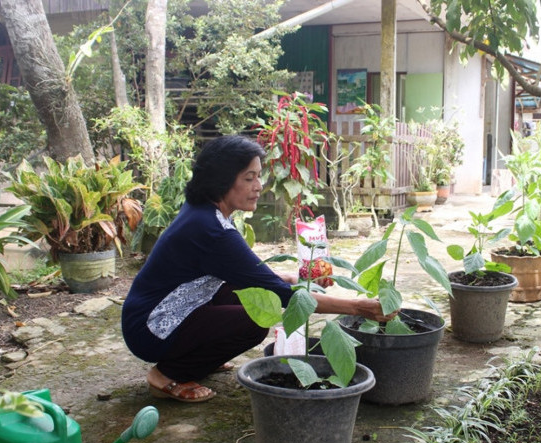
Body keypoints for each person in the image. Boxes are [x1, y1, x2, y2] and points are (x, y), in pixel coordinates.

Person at [121, 135, 396, 403]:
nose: (258, 186)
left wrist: (294, 277)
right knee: (256, 321)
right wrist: (358, 307)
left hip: (158, 310)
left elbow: (251, 275)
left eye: (258, 176)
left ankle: (198, 356)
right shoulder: (212, 230)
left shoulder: (203, 212)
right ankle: (167, 374)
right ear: (222, 181)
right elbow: (283, 295)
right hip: (153, 328)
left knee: (245, 293)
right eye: (248, 178)